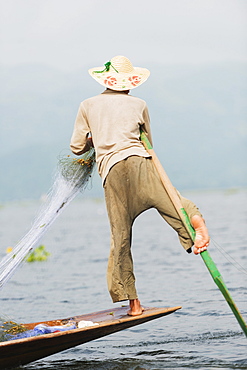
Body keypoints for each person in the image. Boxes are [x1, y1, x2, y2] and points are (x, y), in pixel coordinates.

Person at [70, 56, 210, 316]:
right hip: (140, 162)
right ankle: (196, 224)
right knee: (173, 202)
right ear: (129, 83)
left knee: (120, 237)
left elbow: (77, 147)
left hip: (112, 171)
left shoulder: (87, 105)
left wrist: (95, 140)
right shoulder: (139, 104)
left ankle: (133, 304)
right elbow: (149, 143)